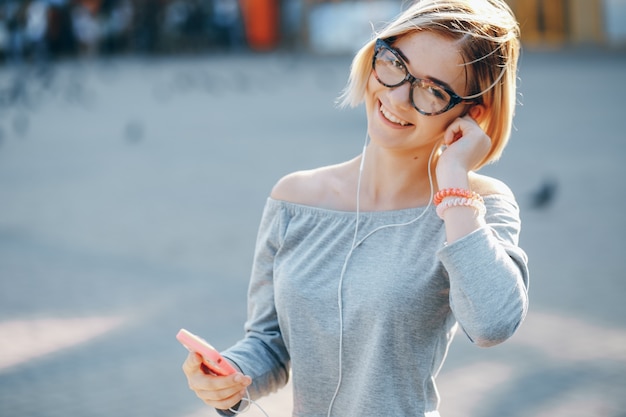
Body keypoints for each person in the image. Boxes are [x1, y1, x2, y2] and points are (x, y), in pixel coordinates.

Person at [181, 0, 530, 416]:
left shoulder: (476, 208)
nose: (398, 98)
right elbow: (269, 343)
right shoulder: (294, 199)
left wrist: (454, 179)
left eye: (433, 91)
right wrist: (229, 375)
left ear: (470, 114)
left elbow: (493, 323)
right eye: (395, 64)